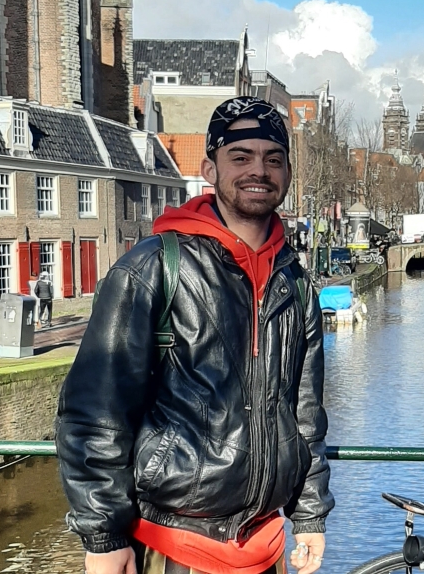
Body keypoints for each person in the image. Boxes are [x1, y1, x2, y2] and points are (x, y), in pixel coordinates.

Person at [56, 97, 334, 574]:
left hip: (265, 542)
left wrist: (308, 515)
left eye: (273, 158)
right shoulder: (152, 269)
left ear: (288, 173)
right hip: (176, 543)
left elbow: (304, 413)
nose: (258, 171)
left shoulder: (296, 284)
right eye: (240, 156)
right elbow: (95, 410)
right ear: (210, 168)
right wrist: (103, 535)